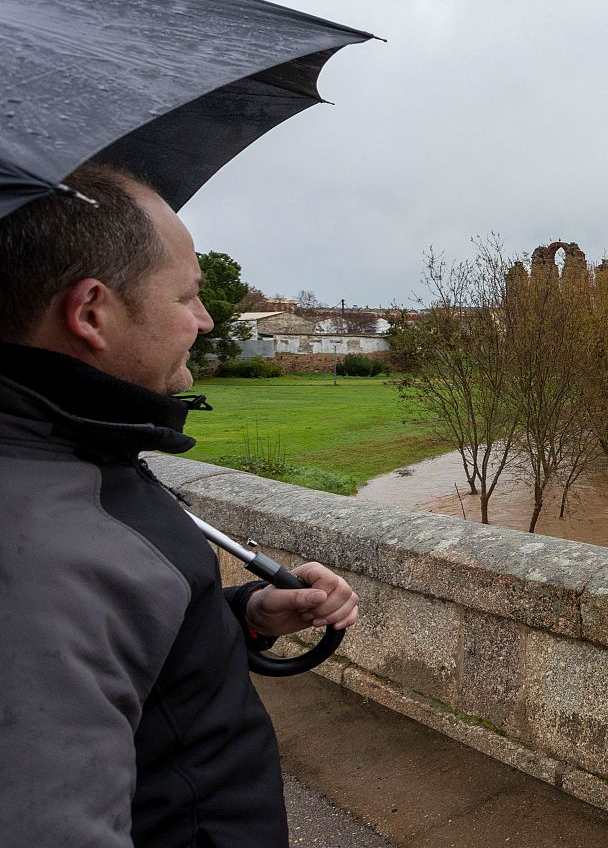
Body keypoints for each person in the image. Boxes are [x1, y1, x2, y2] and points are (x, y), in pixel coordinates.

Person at [0, 162, 360, 846]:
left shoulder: (72, 448)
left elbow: (118, 647)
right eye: (186, 296)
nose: (206, 317)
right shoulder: (36, 552)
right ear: (90, 313)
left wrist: (245, 617)